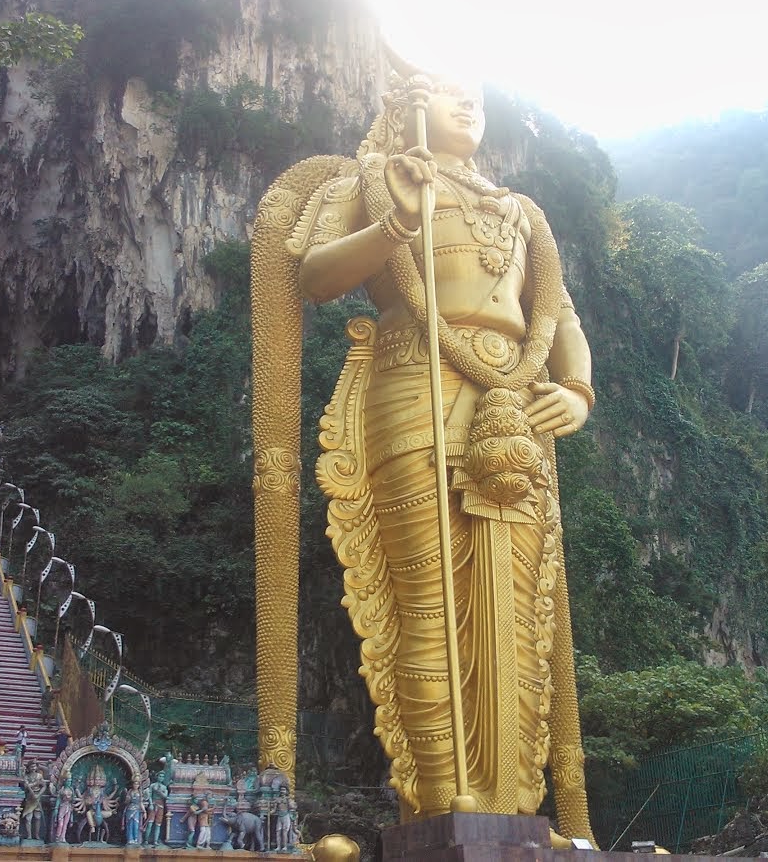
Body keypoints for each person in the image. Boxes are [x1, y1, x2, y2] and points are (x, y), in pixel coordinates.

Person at [255, 69, 596, 824]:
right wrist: (394, 226)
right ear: (408, 107)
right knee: (427, 605)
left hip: (513, 399)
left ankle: (515, 805)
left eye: (476, 88)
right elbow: (313, 274)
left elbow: (558, 311)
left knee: (516, 613)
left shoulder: (520, 211)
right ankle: (443, 807)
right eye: (447, 89)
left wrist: (576, 389)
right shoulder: (375, 180)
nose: (470, 100)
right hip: (415, 386)